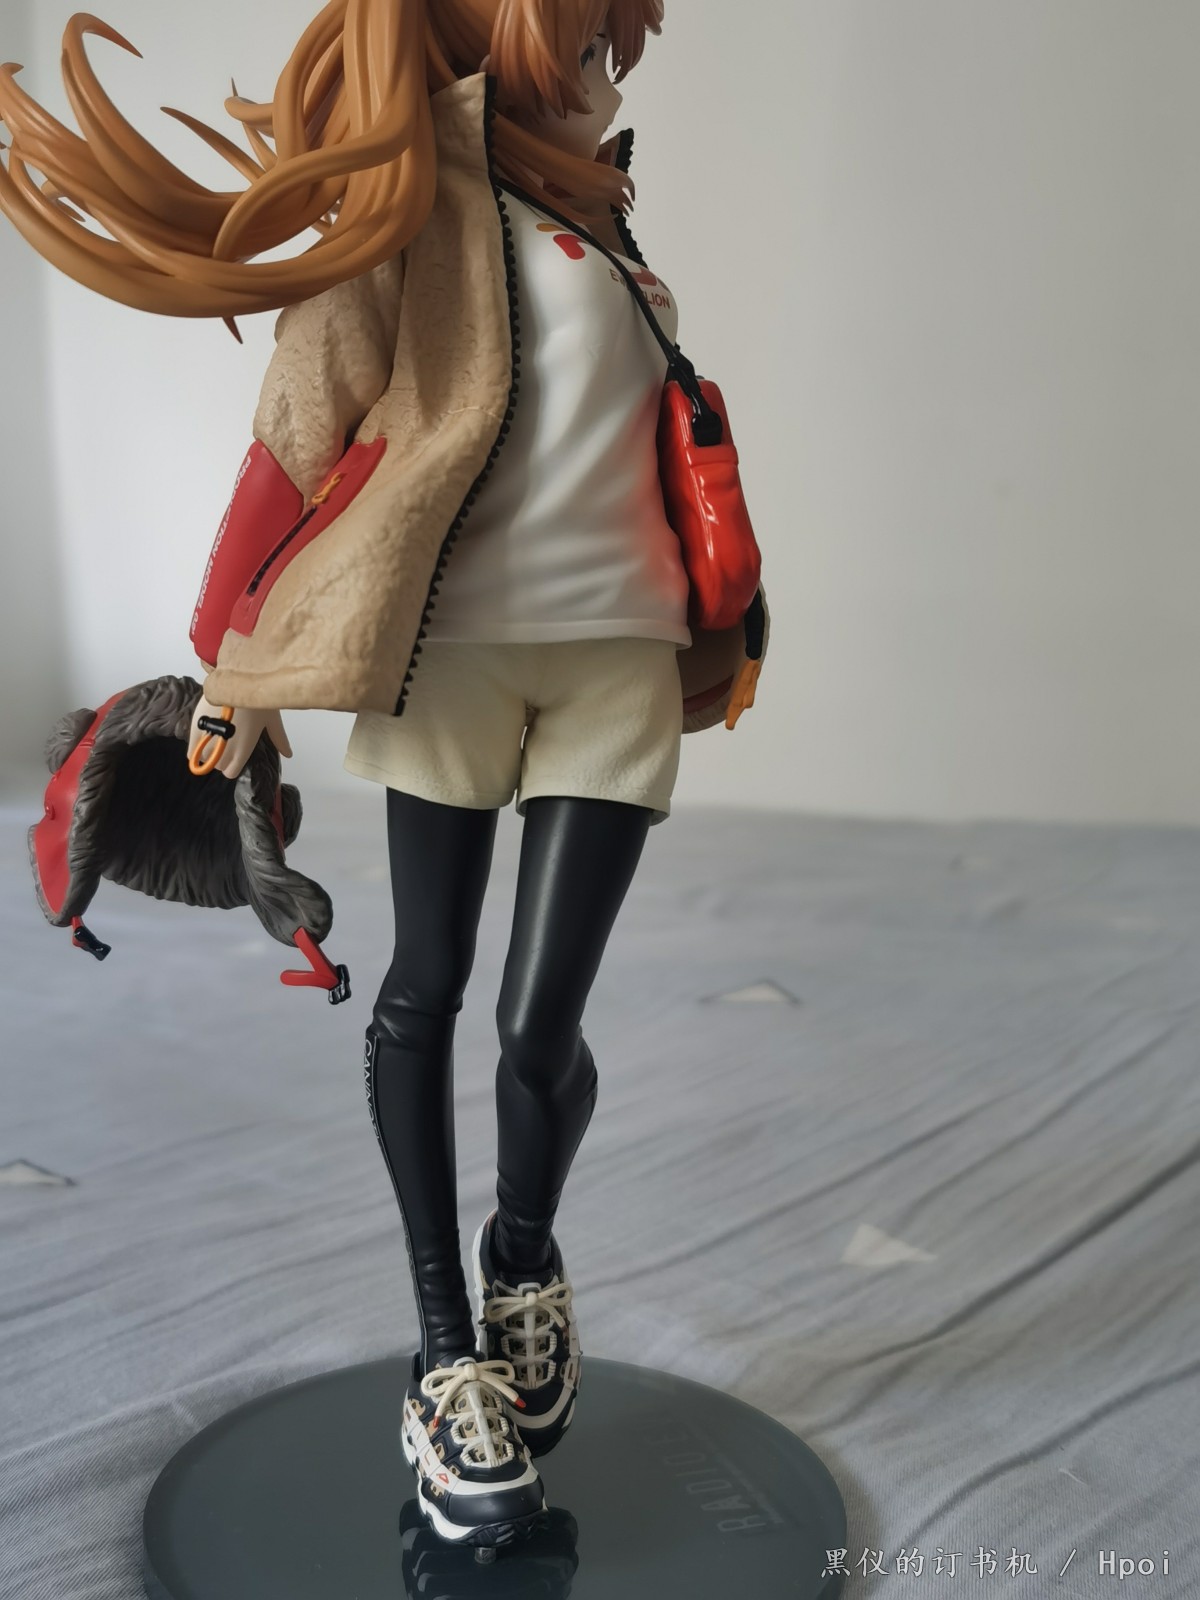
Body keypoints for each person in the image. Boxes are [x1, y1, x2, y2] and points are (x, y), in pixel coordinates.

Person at [0, 0, 768, 1554]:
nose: (607, 67)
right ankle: (443, 1353)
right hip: (453, 658)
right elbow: (296, 437)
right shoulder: (412, 221)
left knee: (541, 1023)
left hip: (616, 661)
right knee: (425, 988)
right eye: (589, 39)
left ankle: (523, 1262)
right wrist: (230, 668)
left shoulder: (609, 231)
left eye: (615, 44)